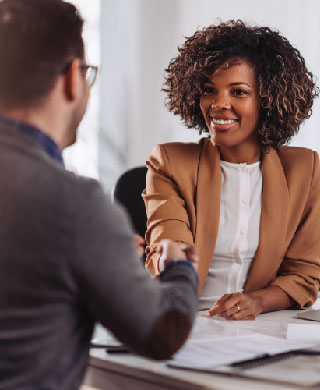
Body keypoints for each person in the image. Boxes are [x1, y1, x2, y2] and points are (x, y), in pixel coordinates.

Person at [0, 1, 199, 389]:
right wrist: (179, 267)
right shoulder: (74, 204)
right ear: (74, 78)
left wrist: (101, 252)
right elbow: (162, 333)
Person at [143, 20, 320, 321]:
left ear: (267, 100)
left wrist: (257, 301)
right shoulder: (170, 162)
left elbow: (304, 274)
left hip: (261, 327)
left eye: (238, 92)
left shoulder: (305, 170)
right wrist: (162, 258)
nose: (218, 104)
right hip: (183, 320)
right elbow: (170, 243)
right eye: (209, 90)